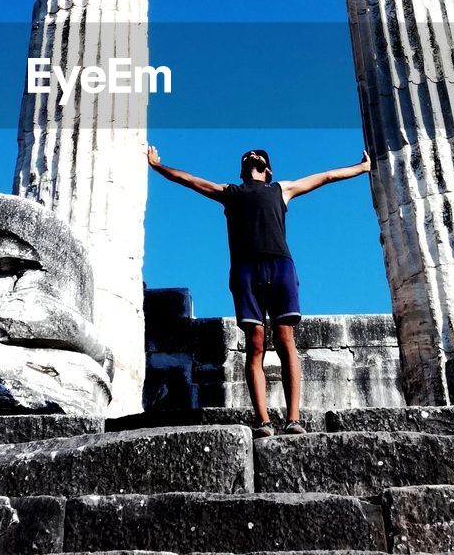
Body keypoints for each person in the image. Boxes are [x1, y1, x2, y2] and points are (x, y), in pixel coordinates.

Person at [146, 144, 371, 436]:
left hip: (280, 267)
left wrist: (361, 168)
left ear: (268, 169)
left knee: (285, 339)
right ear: (243, 169)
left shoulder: (282, 189)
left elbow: (326, 176)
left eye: (259, 155)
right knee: (255, 344)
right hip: (245, 270)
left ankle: (293, 419)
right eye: (248, 155)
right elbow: (189, 180)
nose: (253, 155)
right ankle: (263, 421)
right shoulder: (230, 192)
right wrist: (157, 166)